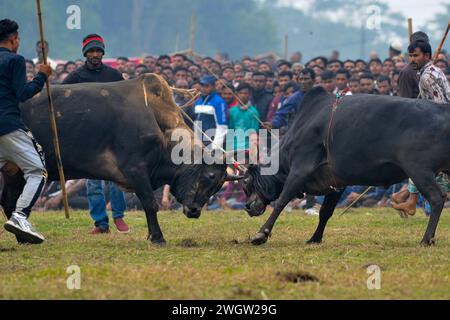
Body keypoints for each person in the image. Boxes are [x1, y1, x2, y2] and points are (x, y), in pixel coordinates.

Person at [63, 34, 129, 234]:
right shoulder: (75, 77)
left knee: (116, 177)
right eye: (91, 51)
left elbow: (125, 101)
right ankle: (101, 223)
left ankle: (118, 216)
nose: (95, 54)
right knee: (93, 181)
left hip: (112, 133)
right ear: (85, 53)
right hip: (87, 136)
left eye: (98, 51)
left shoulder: (114, 75)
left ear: (103, 52)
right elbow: (61, 99)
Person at [0, 19, 52, 244]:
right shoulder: (15, 60)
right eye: (18, 38)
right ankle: (20, 216)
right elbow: (22, 93)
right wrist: (42, 76)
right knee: (37, 170)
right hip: (9, 125)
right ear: (13, 39)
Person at [393, 40, 450, 217]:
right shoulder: (431, 71)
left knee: (423, 164)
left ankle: (408, 198)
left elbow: (439, 105)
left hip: (439, 126)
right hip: (438, 124)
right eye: (410, 56)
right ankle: (409, 199)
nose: (412, 59)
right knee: (422, 164)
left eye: (416, 55)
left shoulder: (427, 76)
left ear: (426, 56)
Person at [194, 75, 228, 150]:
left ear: (213, 86)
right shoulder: (198, 102)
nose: (203, 88)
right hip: (198, 143)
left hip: (211, 143)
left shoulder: (219, 102)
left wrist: (215, 147)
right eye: (202, 85)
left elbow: (222, 126)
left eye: (207, 86)